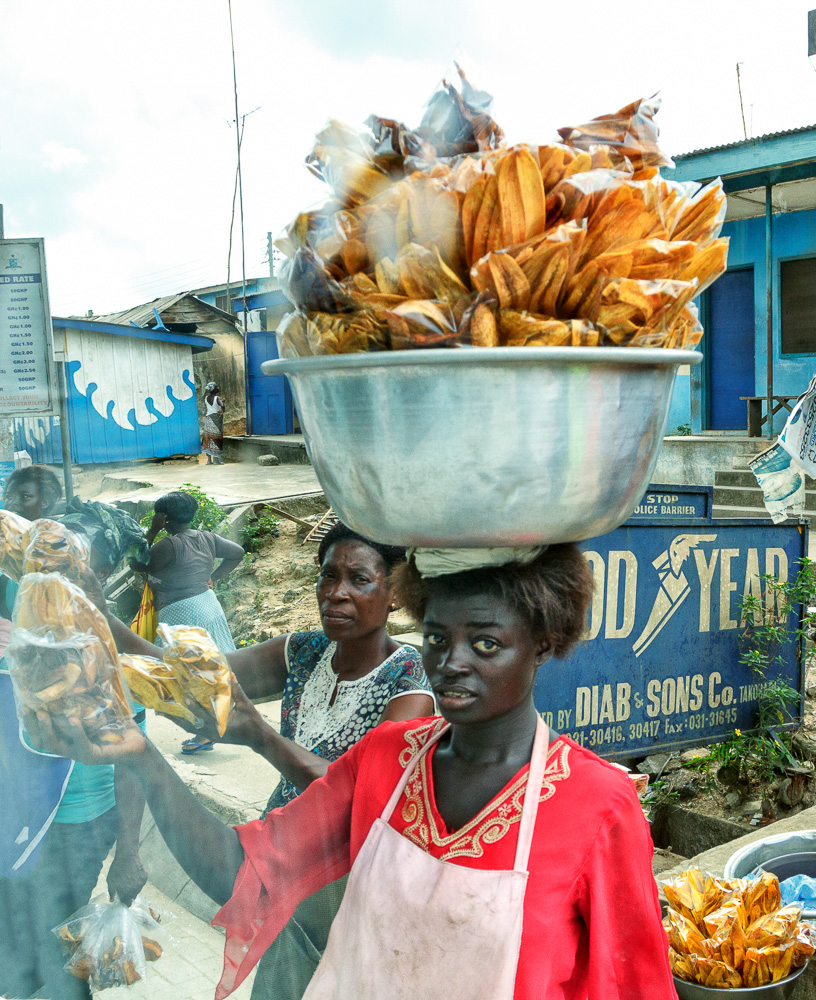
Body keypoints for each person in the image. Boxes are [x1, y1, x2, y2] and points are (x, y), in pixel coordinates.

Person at [28, 543, 675, 1000]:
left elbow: (633, 983)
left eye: (484, 643)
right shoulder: (385, 760)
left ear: (541, 643)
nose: (450, 664)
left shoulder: (599, 802)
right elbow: (239, 872)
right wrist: (142, 759)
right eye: (435, 639)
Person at [108, 522, 434, 998]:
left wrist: (259, 736)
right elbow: (190, 677)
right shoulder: (303, 651)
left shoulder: (412, 680)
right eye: (327, 577)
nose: (336, 594)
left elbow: (357, 792)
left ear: (395, 595)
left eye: (358, 580)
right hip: (281, 860)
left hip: (347, 883)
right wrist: (102, 616)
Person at [0, 466, 148, 1000]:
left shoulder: (112, 652)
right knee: (21, 944)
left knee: (51, 949)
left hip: (80, 824)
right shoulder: (26, 636)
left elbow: (135, 759)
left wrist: (129, 851)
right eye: (57, 568)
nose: (71, 583)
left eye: (85, 573)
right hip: (19, 820)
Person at [140, 489, 243, 652]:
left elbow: (138, 563)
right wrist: (212, 577)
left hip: (182, 615)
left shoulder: (169, 545)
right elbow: (238, 553)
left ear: (164, 518)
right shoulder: (208, 537)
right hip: (209, 606)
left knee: (184, 671)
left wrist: (153, 530)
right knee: (218, 664)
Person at [202, 381, 226, 464]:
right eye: (216, 387)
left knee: (208, 439)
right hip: (216, 419)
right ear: (214, 389)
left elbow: (211, 407)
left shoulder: (206, 398)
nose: (217, 388)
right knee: (216, 439)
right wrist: (222, 411)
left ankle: (209, 461)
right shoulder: (217, 398)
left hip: (208, 419)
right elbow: (222, 405)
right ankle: (216, 460)